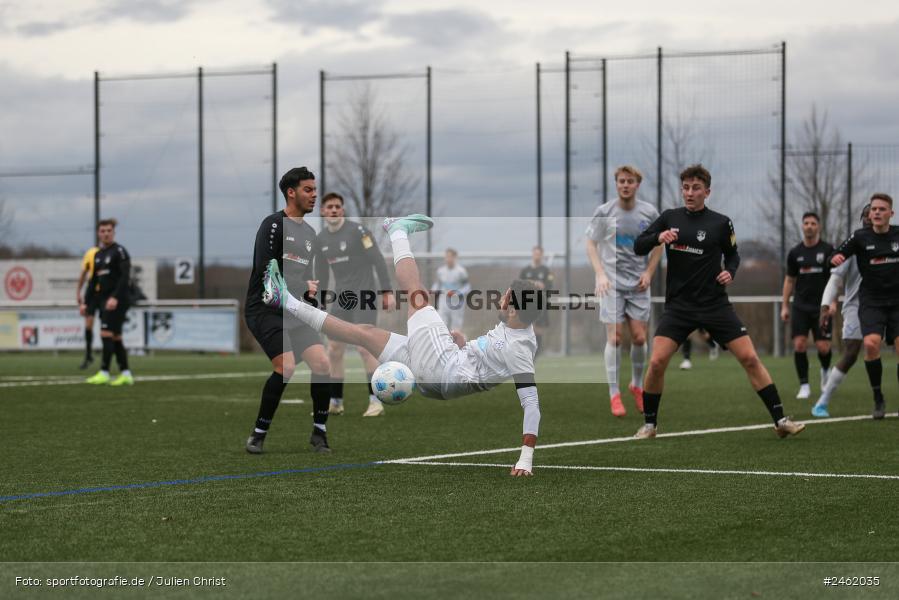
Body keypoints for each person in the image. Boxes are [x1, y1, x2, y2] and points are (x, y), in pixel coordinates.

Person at [264, 214, 544, 476]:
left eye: (506, 296)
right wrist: (462, 347)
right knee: (364, 333)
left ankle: (397, 230)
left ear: (514, 309)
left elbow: (531, 404)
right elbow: (485, 365)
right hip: (439, 373)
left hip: (441, 367)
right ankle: (287, 301)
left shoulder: (519, 349)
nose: (501, 297)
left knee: (417, 294)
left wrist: (525, 458)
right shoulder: (517, 325)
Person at [632, 164, 804, 439]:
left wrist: (730, 271)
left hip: (715, 305)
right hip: (679, 307)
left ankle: (781, 420)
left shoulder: (721, 223)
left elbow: (733, 255)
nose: (689, 192)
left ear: (707, 192)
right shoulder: (669, 217)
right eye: (686, 187)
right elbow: (639, 245)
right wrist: (657, 237)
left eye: (696, 188)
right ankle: (650, 425)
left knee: (749, 358)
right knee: (656, 362)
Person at [243, 167, 333, 454]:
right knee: (286, 367)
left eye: (315, 189)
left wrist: (311, 294)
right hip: (265, 309)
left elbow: (308, 277)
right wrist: (297, 286)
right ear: (290, 192)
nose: (314, 195)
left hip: (295, 309)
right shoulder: (272, 225)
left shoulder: (309, 233)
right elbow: (267, 271)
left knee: (322, 364)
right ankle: (258, 434)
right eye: (308, 190)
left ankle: (319, 433)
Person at [585, 165, 662, 417]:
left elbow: (661, 244)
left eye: (630, 181)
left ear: (637, 184)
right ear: (616, 184)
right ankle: (614, 393)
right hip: (612, 285)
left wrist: (649, 272)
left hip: (638, 285)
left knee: (640, 338)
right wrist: (600, 274)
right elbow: (591, 243)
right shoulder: (605, 212)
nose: (625, 185)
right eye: (621, 181)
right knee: (615, 338)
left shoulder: (649, 213)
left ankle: (637, 386)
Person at [316, 192, 394, 417]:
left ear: (342, 210)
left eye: (337, 206)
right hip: (342, 299)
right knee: (334, 349)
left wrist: (386, 290)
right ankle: (336, 402)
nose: (333, 210)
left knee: (364, 348)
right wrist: (319, 301)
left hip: (365, 296)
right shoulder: (320, 240)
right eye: (329, 206)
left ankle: (375, 401)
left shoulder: (358, 231)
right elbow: (320, 273)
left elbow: (377, 259)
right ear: (322, 211)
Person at [831, 193, 899, 419]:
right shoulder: (860, 237)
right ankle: (878, 397)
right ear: (870, 214)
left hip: (897, 301)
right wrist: (837, 257)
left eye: (882, 209)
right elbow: (838, 252)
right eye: (874, 209)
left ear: (891, 213)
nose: (877, 212)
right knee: (871, 345)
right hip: (871, 301)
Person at [813, 204, 872, 417]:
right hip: (856, 306)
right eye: (865, 215)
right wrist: (825, 307)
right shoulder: (852, 247)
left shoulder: (891, 244)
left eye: (873, 214)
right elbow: (835, 279)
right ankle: (822, 401)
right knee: (851, 352)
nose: (869, 218)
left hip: (888, 305)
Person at [781, 212, 834, 399]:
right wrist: (785, 306)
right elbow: (789, 280)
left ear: (818, 226)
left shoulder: (828, 250)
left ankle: (825, 372)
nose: (809, 226)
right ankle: (804, 385)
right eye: (806, 223)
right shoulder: (795, 253)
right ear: (802, 226)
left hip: (822, 308)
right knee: (799, 344)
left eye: (813, 223)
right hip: (801, 307)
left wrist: (833, 302)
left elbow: (835, 279)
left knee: (823, 347)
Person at [84, 219, 134, 387]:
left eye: (109, 231)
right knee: (116, 337)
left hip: (117, 299)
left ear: (113, 233)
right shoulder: (98, 255)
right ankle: (126, 373)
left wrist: (115, 297)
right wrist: (85, 302)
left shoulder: (119, 251)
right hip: (104, 299)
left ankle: (104, 372)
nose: (105, 233)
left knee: (106, 334)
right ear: (98, 233)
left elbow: (125, 277)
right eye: (102, 231)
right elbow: (92, 282)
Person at [519, 245, 555, 357]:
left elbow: (549, 285)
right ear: (532, 254)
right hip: (527, 304)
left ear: (542, 255)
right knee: (527, 330)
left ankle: (534, 356)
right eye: (535, 253)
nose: (537, 256)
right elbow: (519, 285)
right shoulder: (525, 270)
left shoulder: (546, 271)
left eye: (539, 254)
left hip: (540, 304)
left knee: (538, 331)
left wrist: (541, 285)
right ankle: (524, 355)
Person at [76, 242, 102, 370]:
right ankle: (88, 355)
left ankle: (106, 357)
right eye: (102, 232)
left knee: (107, 326)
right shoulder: (91, 253)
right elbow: (83, 273)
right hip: (91, 293)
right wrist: (78, 292)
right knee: (88, 324)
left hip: (105, 293)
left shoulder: (113, 253)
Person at [433, 248, 470, 333]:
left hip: (456, 302)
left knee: (456, 327)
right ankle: (443, 344)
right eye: (446, 257)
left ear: (455, 258)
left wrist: (458, 293)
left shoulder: (461, 271)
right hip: (443, 301)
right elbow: (437, 284)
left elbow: (467, 287)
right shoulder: (441, 271)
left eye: (450, 257)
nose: (448, 259)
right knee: (441, 324)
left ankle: (455, 345)